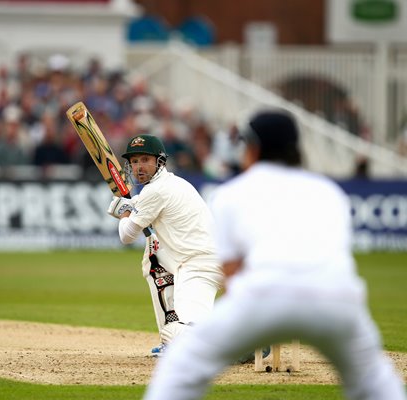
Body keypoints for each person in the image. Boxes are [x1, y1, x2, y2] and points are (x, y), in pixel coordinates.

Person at [143, 109, 406, 400]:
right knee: (375, 381)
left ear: (254, 148)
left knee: (181, 365)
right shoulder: (328, 193)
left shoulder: (230, 195)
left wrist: (242, 330)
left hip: (263, 298)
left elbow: (231, 275)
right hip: (337, 305)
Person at [106, 134, 224, 356]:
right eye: (134, 161)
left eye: (144, 160)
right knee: (152, 259)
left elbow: (127, 236)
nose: (139, 167)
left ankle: (244, 343)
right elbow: (138, 207)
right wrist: (127, 208)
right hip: (191, 260)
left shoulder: (156, 190)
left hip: (200, 265)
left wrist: (123, 214)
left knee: (187, 336)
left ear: (159, 161)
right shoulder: (171, 183)